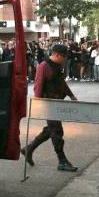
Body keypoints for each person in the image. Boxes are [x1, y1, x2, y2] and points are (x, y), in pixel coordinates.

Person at [21, 43, 79, 172]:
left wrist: (71, 95)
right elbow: (38, 84)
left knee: (50, 130)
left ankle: (28, 149)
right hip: (48, 103)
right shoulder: (44, 66)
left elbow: (61, 83)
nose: (65, 59)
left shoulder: (57, 66)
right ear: (56, 55)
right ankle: (62, 161)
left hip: (56, 102)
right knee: (57, 132)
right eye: (63, 56)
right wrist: (37, 103)